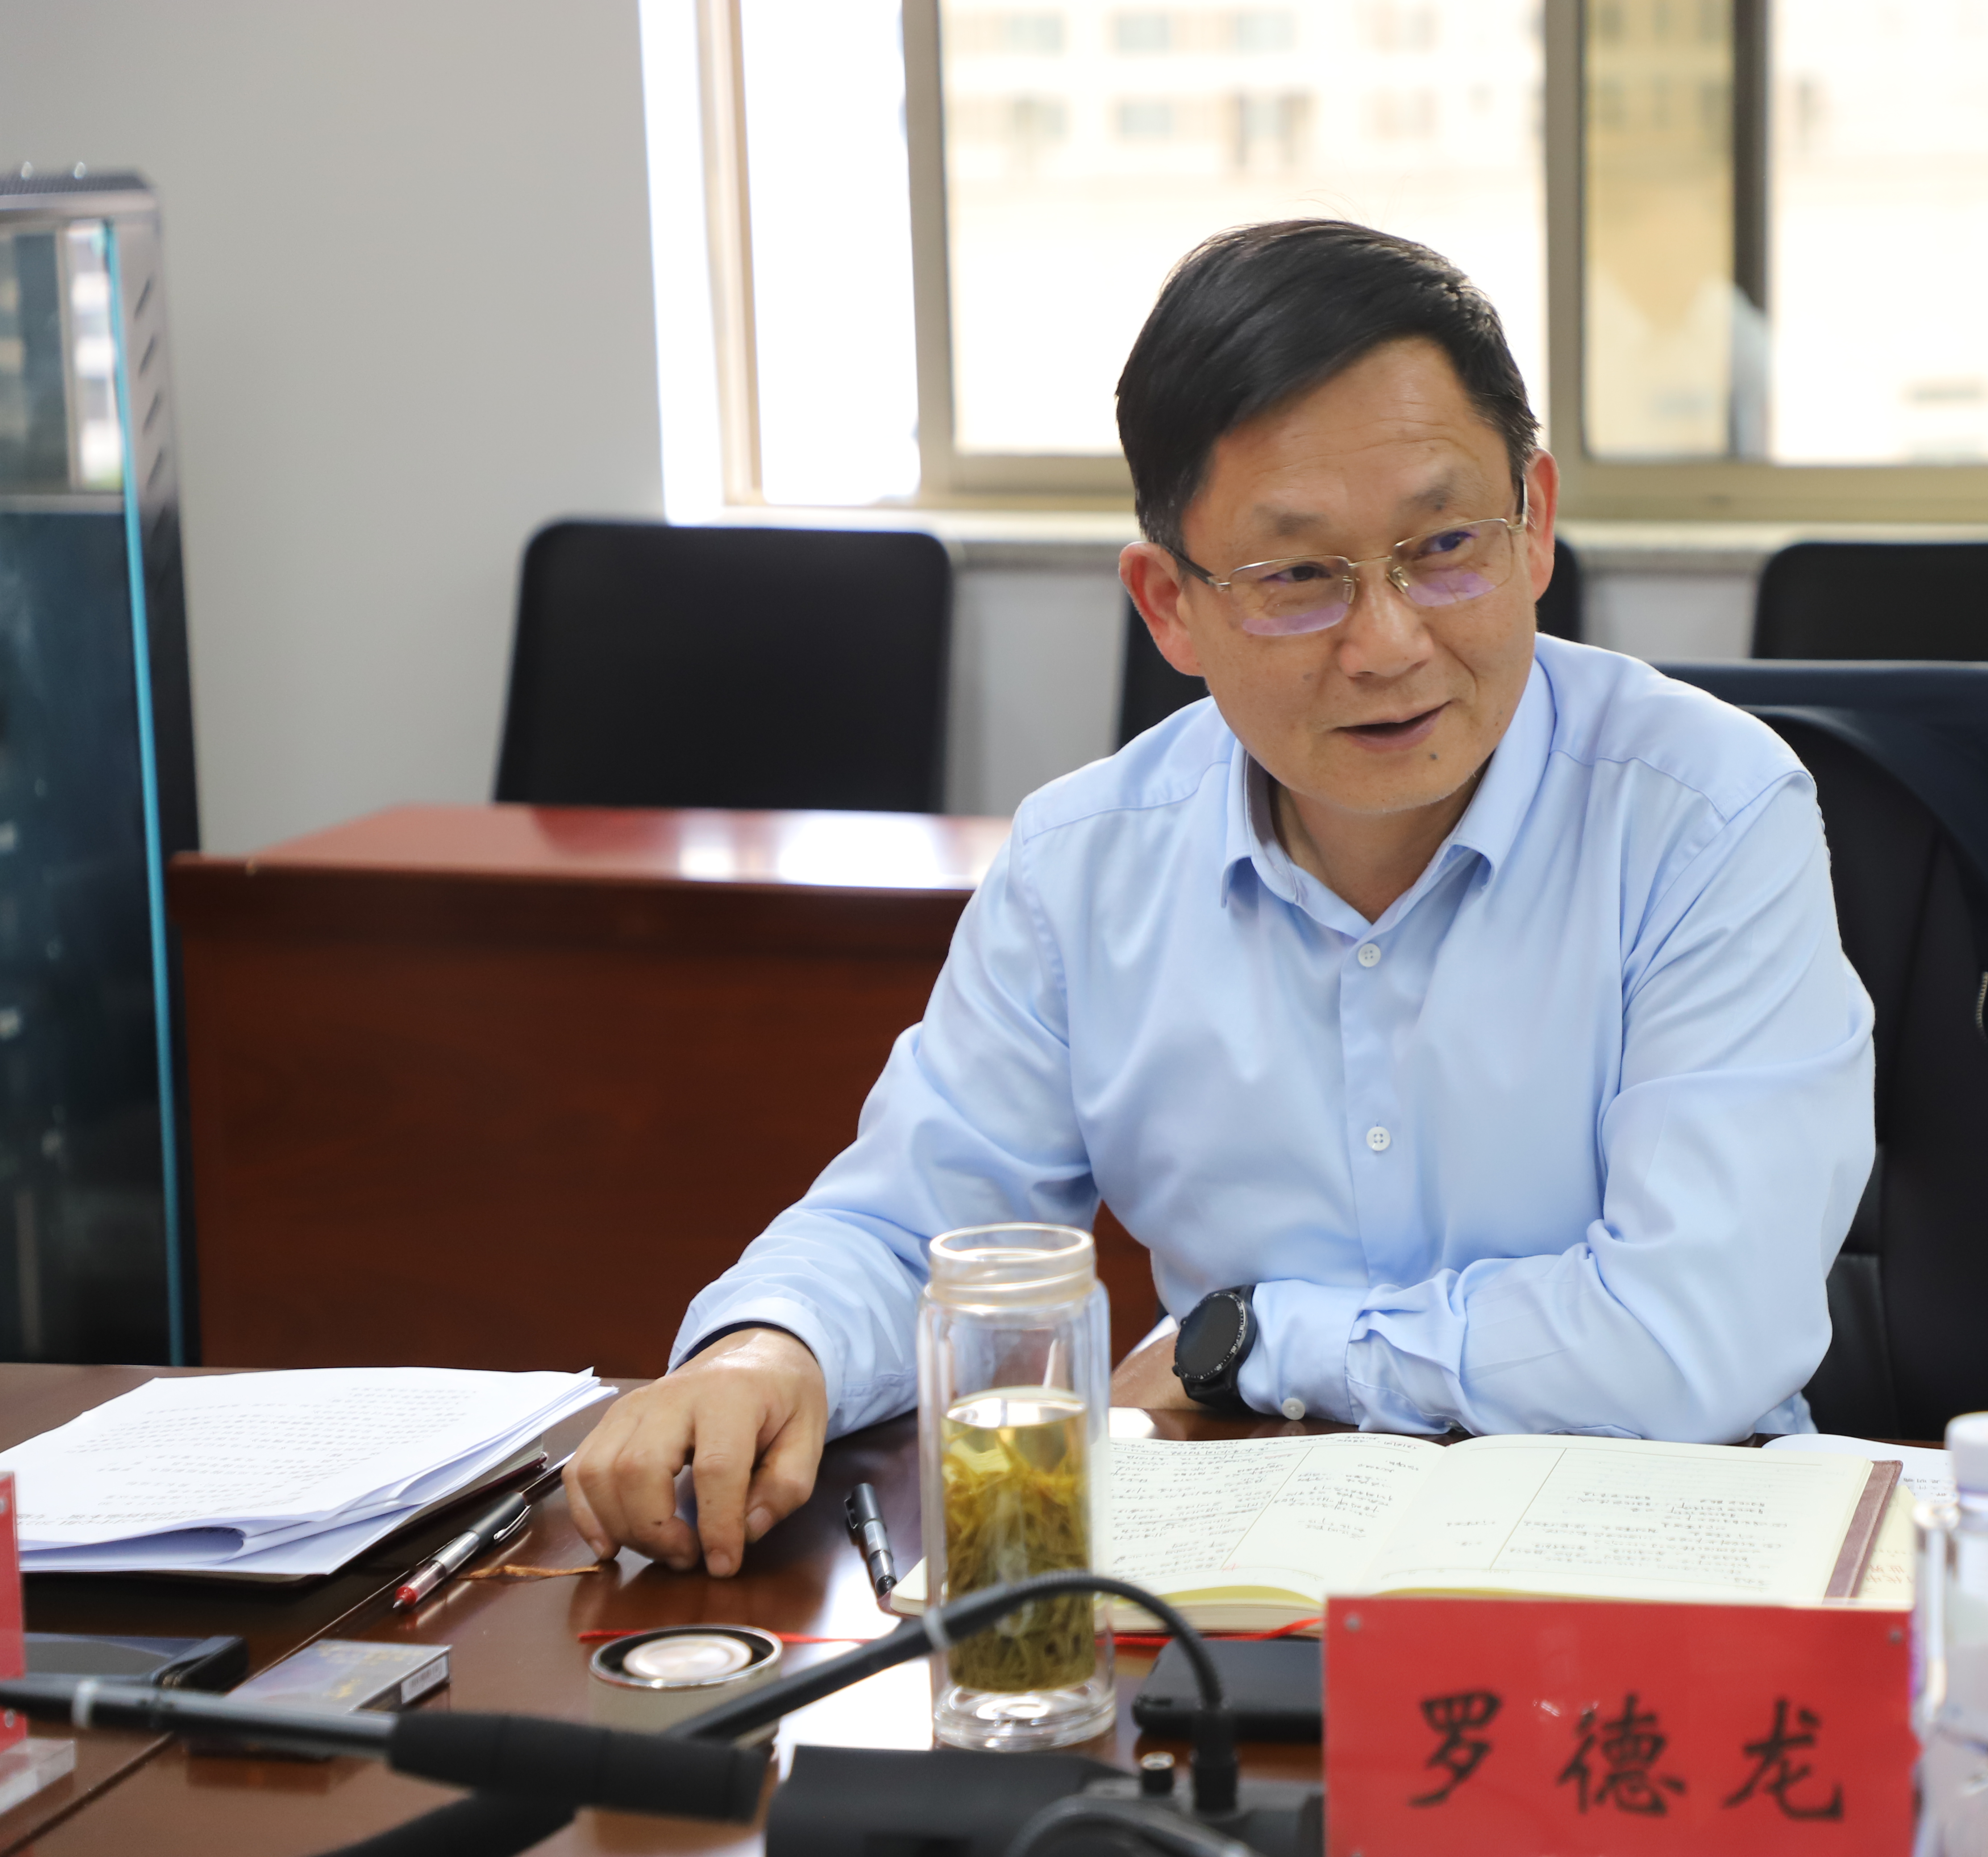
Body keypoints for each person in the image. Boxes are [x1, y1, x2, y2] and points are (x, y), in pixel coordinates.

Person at [566, 221, 1875, 1577]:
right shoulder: (1085, 866)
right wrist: (766, 1347)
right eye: (1299, 577)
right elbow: (912, 1229)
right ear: (1169, 607)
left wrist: (1251, 1343)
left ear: (1534, 524)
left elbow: (1692, 1336)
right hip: (1240, 1580)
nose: (1389, 642)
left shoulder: (1705, 814)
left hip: (1657, 1560)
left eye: (1444, 546)